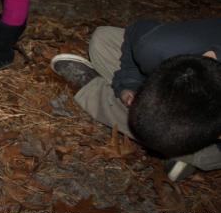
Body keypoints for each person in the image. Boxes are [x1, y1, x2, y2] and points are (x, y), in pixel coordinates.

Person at [50, 18, 221, 181]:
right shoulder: (160, 46)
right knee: (103, 40)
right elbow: (135, 34)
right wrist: (129, 83)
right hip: (180, 55)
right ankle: (180, 150)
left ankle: (93, 91)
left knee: (208, 156)